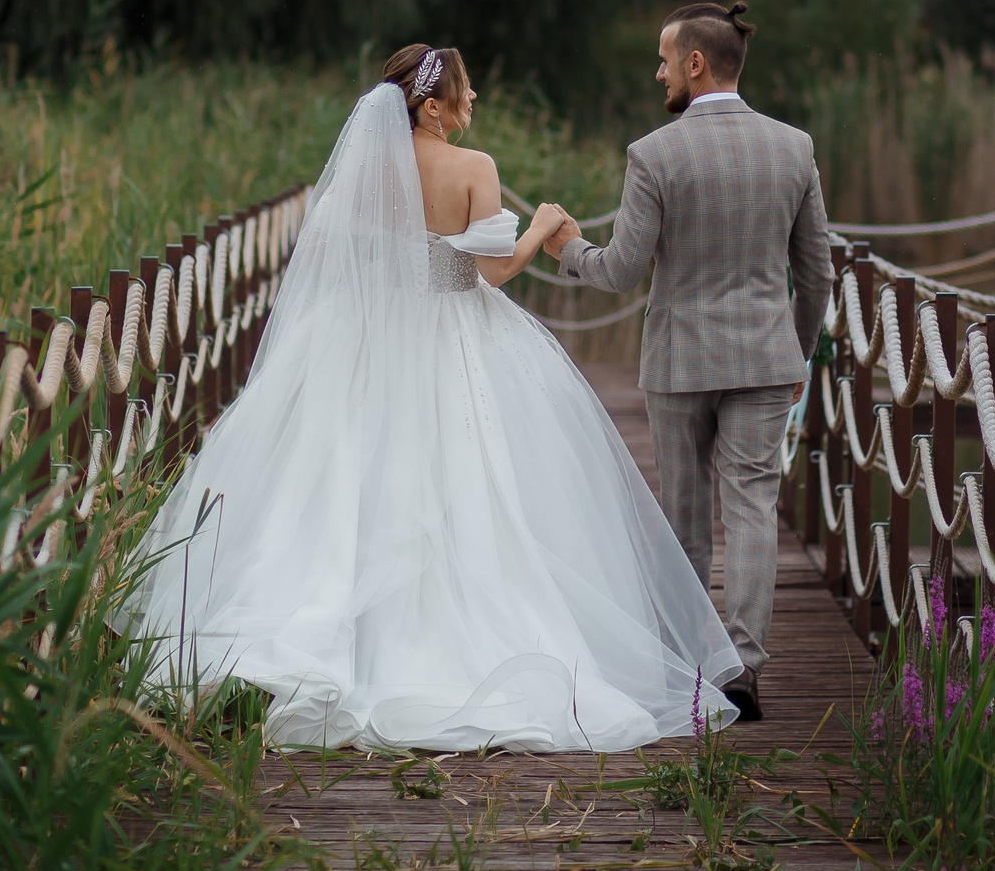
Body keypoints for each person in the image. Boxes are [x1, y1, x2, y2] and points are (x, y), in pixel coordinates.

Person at [119, 43, 742, 751]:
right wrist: (541, 229)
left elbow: (342, 256)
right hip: (452, 332)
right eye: (466, 93)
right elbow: (490, 272)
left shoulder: (365, 169)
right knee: (468, 484)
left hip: (362, 334)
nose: (473, 103)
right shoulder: (473, 169)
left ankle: (296, 640)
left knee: (341, 476)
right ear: (435, 106)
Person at [547, 1, 831, 722]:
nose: (659, 72)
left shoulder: (654, 154)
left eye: (666, 60)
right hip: (767, 357)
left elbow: (620, 269)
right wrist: (796, 348)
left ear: (695, 64)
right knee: (753, 509)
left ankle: (688, 665)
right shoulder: (794, 147)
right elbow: (818, 271)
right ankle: (745, 665)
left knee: (684, 515)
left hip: (679, 361)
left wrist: (566, 250)